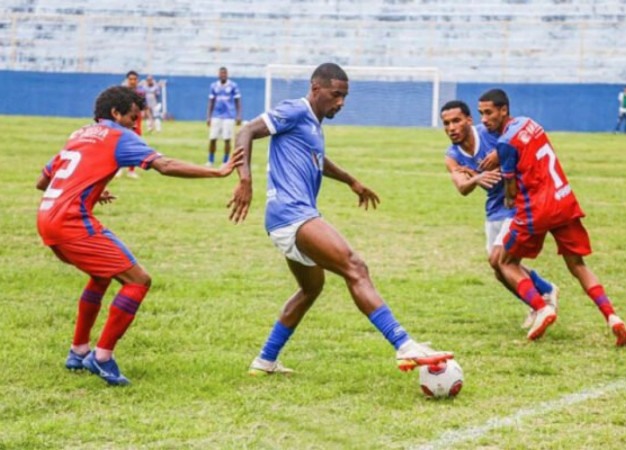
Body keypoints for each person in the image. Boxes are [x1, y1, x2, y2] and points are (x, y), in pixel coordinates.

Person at [228, 62, 453, 375]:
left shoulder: (313, 124)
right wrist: (245, 179)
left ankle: (265, 360)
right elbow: (246, 131)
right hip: (292, 214)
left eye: (344, 96)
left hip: (287, 218)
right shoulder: (295, 110)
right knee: (355, 266)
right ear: (316, 88)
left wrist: (351, 181)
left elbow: (318, 161)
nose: (341, 102)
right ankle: (404, 345)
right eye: (336, 95)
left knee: (311, 289)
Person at [36, 86, 243, 386]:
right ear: (116, 113)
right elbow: (165, 165)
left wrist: (90, 188)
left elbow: (44, 180)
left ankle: (78, 350)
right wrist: (217, 172)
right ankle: (102, 356)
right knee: (138, 281)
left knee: (101, 275)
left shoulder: (79, 134)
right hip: (72, 224)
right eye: (132, 117)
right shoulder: (120, 137)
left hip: (47, 219)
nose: (136, 125)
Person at [477, 88, 626, 346]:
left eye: (489, 113)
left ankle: (541, 306)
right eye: (481, 113)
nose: (484, 119)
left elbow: (511, 190)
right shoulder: (530, 123)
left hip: (536, 208)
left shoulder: (504, 144)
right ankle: (612, 317)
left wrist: (504, 193)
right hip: (564, 199)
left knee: (503, 262)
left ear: (504, 110)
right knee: (578, 265)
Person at [441, 100, 559, 329]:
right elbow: (462, 187)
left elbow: (520, 142)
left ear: (469, 120)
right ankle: (544, 292)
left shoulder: (491, 132)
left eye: (456, 121)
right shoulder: (452, 155)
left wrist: (500, 152)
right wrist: (476, 178)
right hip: (494, 207)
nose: (451, 127)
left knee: (499, 259)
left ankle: (541, 307)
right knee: (499, 269)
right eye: (446, 124)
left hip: (516, 201)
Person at [206, 66, 242, 166]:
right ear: (218, 74)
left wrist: (239, 115)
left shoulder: (233, 85)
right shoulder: (213, 86)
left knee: (227, 139)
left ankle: (225, 161)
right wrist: (208, 116)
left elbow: (238, 101)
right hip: (216, 115)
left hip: (229, 116)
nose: (223, 75)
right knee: (212, 138)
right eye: (221, 73)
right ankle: (210, 160)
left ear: (227, 74)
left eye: (225, 73)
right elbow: (211, 101)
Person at [117, 70, 147, 178]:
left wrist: (149, 118)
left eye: (135, 79)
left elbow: (144, 106)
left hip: (136, 120)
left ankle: (131, 170)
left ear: (137, 80)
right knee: (121, 143)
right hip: (124, 119)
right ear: (127, 80)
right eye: (130, 79)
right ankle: (119, 168)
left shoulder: (141, 92)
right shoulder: (122, 91)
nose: (133, 81)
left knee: (135, 144)